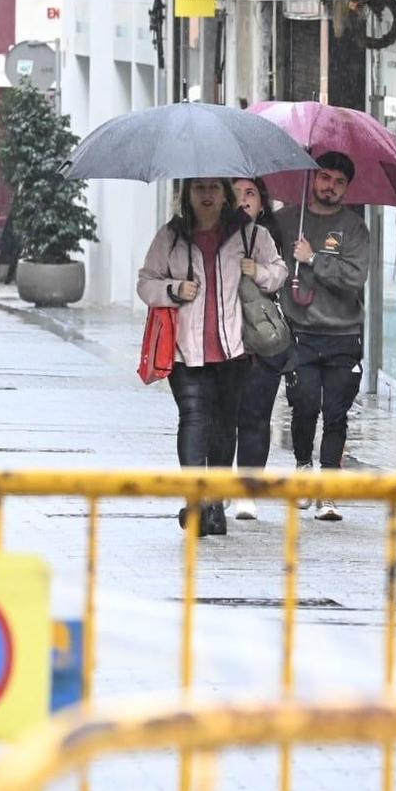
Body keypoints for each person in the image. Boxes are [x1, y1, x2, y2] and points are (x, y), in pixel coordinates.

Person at [137, 177, 287, 537]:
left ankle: (216, 504)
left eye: (214, 188)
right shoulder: (171, 236)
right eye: (199, 188)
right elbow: (146, 283)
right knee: (192, 419)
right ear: (187, 194)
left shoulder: (251, 235)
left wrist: (258, 272)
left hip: (233, 350)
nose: (207, 195)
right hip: (185, 352)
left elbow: (279, 272)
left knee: (223, 426)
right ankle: (196, 501)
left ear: (225, 194)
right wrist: (174, 289)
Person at [277, 151, 371, 522]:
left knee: (336, 413)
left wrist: (314, 259)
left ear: (347, 188)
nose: (330, 186)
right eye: (325, 178)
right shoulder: (287, 220)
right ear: (313, 178)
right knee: (304, 406)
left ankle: (329, 488)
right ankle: (303, 466)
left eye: (339, 182)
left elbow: (355, 277)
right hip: (300, 334)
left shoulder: (354, 228)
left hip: (343, 336)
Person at [217, 176, 291, 521]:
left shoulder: (264, 236)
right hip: (221, 340)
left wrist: (257, 270)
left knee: (256, 416)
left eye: (251, 193)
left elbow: (280, 275)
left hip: (259, 340)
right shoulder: (211, 235)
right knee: (223, 417)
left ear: (262, 202)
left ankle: (247, 490)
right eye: (236, 194)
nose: (244, 200)